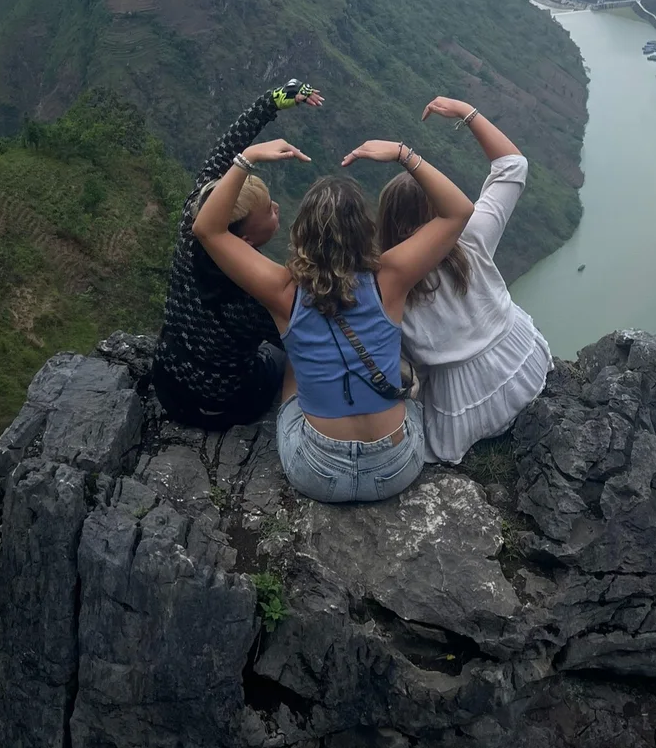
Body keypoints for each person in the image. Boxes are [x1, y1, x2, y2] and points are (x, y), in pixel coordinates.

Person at [191, 132, 474, 502]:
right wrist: (404, 155)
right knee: (407, 389)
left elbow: (207, 229)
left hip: (317, 471)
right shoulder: (391, 277)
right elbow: (459, 211)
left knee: (294, 360)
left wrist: (246, 158)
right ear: (364, 229)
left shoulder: (281, 291)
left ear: (301, 233)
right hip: (397, 467)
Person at [376, 97, 552, 464]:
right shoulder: (471, 236)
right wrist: (466, 112)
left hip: (464, 411)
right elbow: (512, 166)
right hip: (524, 370)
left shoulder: (384, 285)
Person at [152, 79, 323, 430]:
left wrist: (275, 102)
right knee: (285, 351)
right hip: (220, 405)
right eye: (270, 213)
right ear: (244, 239)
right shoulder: (252, 295)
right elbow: (311, 339)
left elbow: (226, 149)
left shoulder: (195, 218)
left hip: (166, 381)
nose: (277, 208)